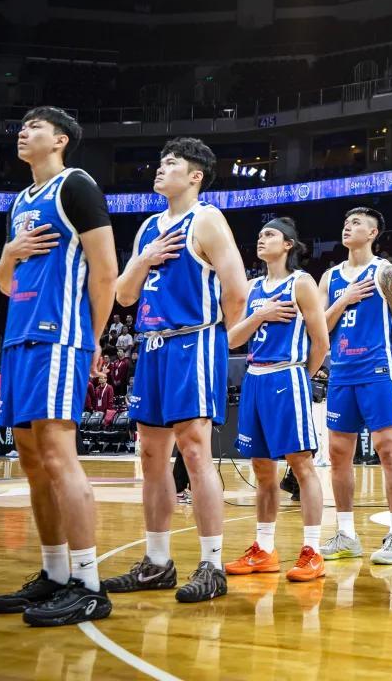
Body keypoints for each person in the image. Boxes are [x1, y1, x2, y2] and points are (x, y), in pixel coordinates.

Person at [0, 106, 118, 627]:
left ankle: (88, 585)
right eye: (21, 126)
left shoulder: (76, 186)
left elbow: (105, 271)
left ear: (60, 139)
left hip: (60, 336)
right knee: (31, 459)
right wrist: (9, 253)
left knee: (59, 456)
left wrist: (92, 338)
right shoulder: (21, 201)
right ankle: (55, 572)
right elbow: (5, 282)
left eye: (34, 126)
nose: (23, 131)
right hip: (19, 337)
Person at [103, 137, 248, 602]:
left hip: (193, 340)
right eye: (160, 162)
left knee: (194, 451)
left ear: (195, 176)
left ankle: (211, 565)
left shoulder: (207, 219)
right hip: (152, 345)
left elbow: (237, 290)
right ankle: (157, 562)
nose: (160, 169)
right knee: (150, 456)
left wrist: (218, 340)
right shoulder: (149, 227)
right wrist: (144, 260)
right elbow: (124, 295)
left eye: (171, 164)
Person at [227, 217, 330, 581]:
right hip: (255, 379)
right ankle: (264, 549)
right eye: (259, 234)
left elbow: (321, 342)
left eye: (269, 234)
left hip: (287, 375)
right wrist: (261, 315)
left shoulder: (301, 283)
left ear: (288, 244)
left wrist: (300, 376)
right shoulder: (252, 287)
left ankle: (313, 551)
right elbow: (232, 339)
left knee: (301, 465)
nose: (261, 239)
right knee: (261, 468)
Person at [317, 207, 392, 565]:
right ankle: (347, 535)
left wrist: (383, 355)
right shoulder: (330, 277)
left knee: (388, 450)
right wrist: (344, 299)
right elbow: (320, 327)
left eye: (356, 223)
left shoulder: (385, 272)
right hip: (342, 373)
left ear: (373, 233)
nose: (348, 227)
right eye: (346, 222)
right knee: (338, 454)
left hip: (376, 372)